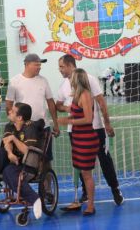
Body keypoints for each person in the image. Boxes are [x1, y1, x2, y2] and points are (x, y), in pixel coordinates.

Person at [56, 54, 124, 207]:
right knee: (80, 164)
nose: (59, 70)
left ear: (69, 65)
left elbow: (101, 102)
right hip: (74, 131)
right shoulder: (63, 85)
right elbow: (58, 104)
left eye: (61, 66)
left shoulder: (89, 79)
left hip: (95, 128)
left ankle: (115, 188)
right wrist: (67, 108)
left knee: (105, 160)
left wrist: (107, 124)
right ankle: (86, 193)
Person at [0, 102, 44, 219]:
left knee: (8, 172)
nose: (9, 111)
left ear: (20, 117)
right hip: (11, 159)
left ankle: (35, 199)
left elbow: (27, 150)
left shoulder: (30, 127)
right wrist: (10, 154)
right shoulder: (9, 126)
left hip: (26, 163)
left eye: (13, 111)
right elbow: (7, 142)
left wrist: (14, 138)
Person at [5, 53, 59, 171]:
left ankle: (47, 189)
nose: (39, 67)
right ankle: (22, 186)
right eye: (36, 65)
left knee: (45, 160)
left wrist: (56, 123)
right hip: (23, 129)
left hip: (43, 127)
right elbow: (9, 104)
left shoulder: (43, 81)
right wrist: (14, 124)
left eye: (40, 65)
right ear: (27, 65)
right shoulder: (15, 81)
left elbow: (50, 102)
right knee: (23, 158)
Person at [58, 68, 100, 215]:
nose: (69, 80)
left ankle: (91, 206)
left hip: (86, 139)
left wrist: (69, 121)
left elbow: (88, 119)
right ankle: (85, 202)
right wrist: (67, 119)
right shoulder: (77, 95)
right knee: (83, 172)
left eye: (72, 78)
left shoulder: (86, 95)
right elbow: (76, 114)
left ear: (77, 79)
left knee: (87, 174)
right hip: (78, 139)